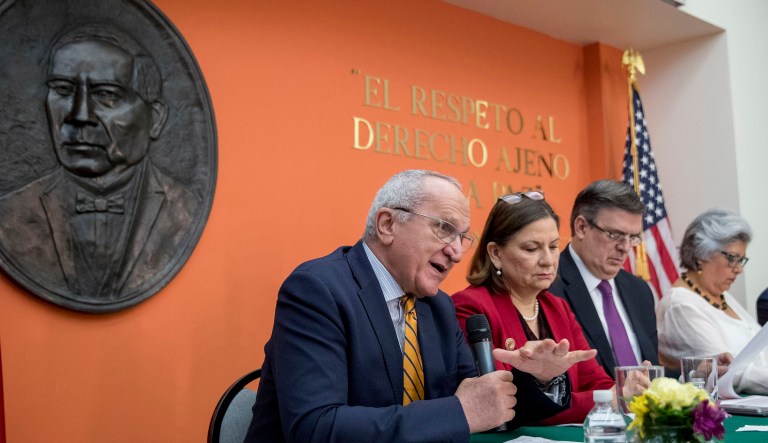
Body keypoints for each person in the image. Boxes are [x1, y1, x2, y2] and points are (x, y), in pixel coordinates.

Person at [245, 170, 583, 442]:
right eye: (444, 229)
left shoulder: (438, 308)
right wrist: (458, 413)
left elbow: (482, 404)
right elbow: (315, 428)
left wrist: (538, 379)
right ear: (388, 224)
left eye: (462, 238)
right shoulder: (317, 290)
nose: (456, 252)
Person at [0, 24, 200, 307]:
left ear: (154, 119)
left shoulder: (185, 209)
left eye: (107, 94)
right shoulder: (10, 215)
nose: (80, 115)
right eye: (63, 90)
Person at [452, 191, 613, 424]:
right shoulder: (471, 307)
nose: (548, 260)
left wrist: (626, 388)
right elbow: (506, 404)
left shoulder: (558, 307)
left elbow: (598, 384)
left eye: (554, 246)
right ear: (496, 254)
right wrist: (609, 399)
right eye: (531, 249)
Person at [549, 180, 659, 379]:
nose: (625, 248)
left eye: (632, 237)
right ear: (581, 227)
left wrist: (694, 372)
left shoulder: (639, 290)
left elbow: (649, 372)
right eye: (615, 235)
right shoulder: (549, 288)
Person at [657, 208, 768, 395]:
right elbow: (729, 371)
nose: (739, 269)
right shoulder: (680, 305)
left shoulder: (723, 297)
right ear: (702, 254)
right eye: (733, 258)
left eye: (742, 260)